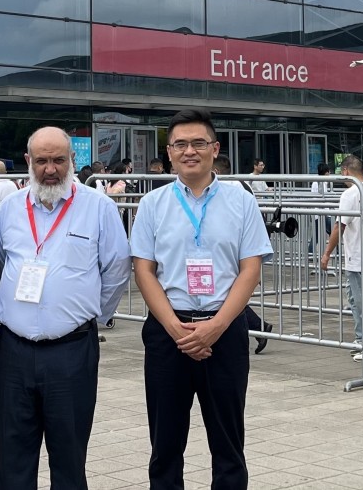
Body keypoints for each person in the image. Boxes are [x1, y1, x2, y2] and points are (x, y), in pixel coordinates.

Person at [130, 109, 272, 489]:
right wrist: (175, 329)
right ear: (169, 152)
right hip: (168, 332)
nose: (189, 151)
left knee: (228, 442)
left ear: (215, 148)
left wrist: (216, 327)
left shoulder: (241, 200)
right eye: (180, 144)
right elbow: (144, 271)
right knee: (165, 444)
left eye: (198, 143)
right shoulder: (152, 204)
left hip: (224, 331)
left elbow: (250, 269)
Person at [0, 126, 130, 490]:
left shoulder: (98, 207)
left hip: (72, 351)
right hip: (14, 352)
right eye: (41, 161)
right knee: (11, 460)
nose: (50, 169)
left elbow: (117, 268)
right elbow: (1, 260)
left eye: (58, 160)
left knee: (69, 459)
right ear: (28, 161)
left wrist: (89, 316)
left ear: (72, 159)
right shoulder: (10, 208)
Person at [320, 155, 363, 356]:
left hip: (356, 257)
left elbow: (339, 226)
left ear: (346, 171)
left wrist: (327, 253)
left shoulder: (350, 194)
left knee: (359, 301)